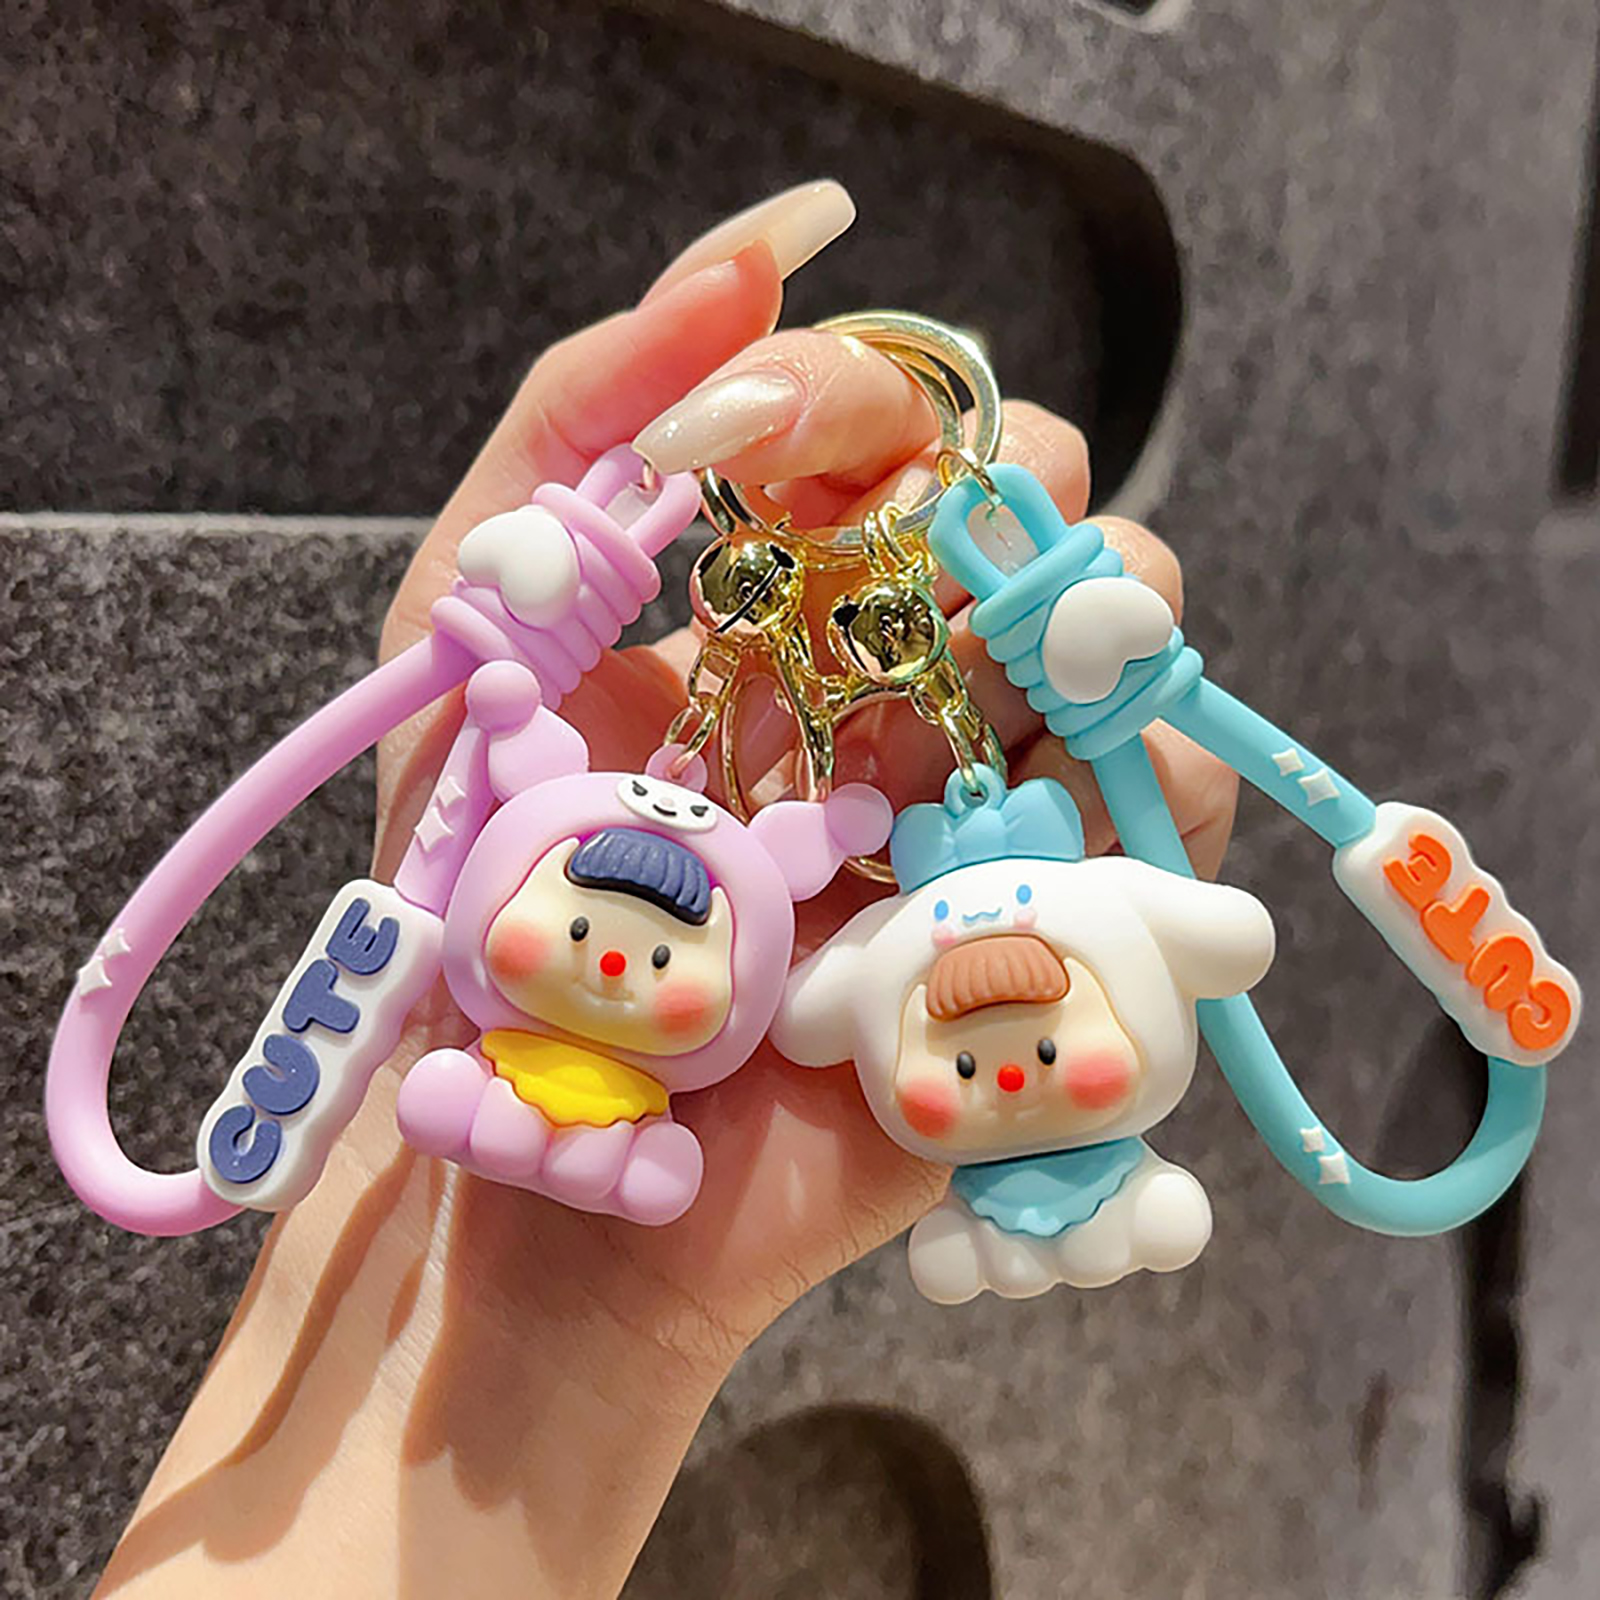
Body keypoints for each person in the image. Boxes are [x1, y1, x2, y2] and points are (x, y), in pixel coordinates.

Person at [94, 181, 1236, 1598]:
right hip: (510, 1081)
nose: (616, 966)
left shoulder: (781, 917)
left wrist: (581, 1346)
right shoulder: (548, 826)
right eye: (579, 927)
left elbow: (822, 993)